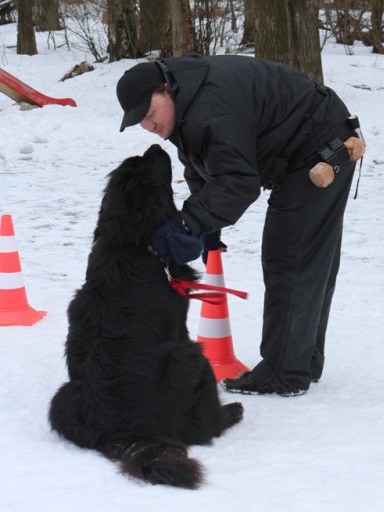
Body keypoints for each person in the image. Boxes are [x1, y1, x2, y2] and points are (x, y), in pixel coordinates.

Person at [116, 55, 361, 397]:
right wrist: (206, 228)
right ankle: (300, 361)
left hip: (320, 147)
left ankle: (284, 374)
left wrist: (188, 224)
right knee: (307, 258)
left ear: (165, 89)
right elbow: (203, 162)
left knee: (291, 257)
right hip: (311, 140)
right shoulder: (186, 103)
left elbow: (238, 183)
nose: (149, 125)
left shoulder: (210, 108)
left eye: (149, 113)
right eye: (139, 121)